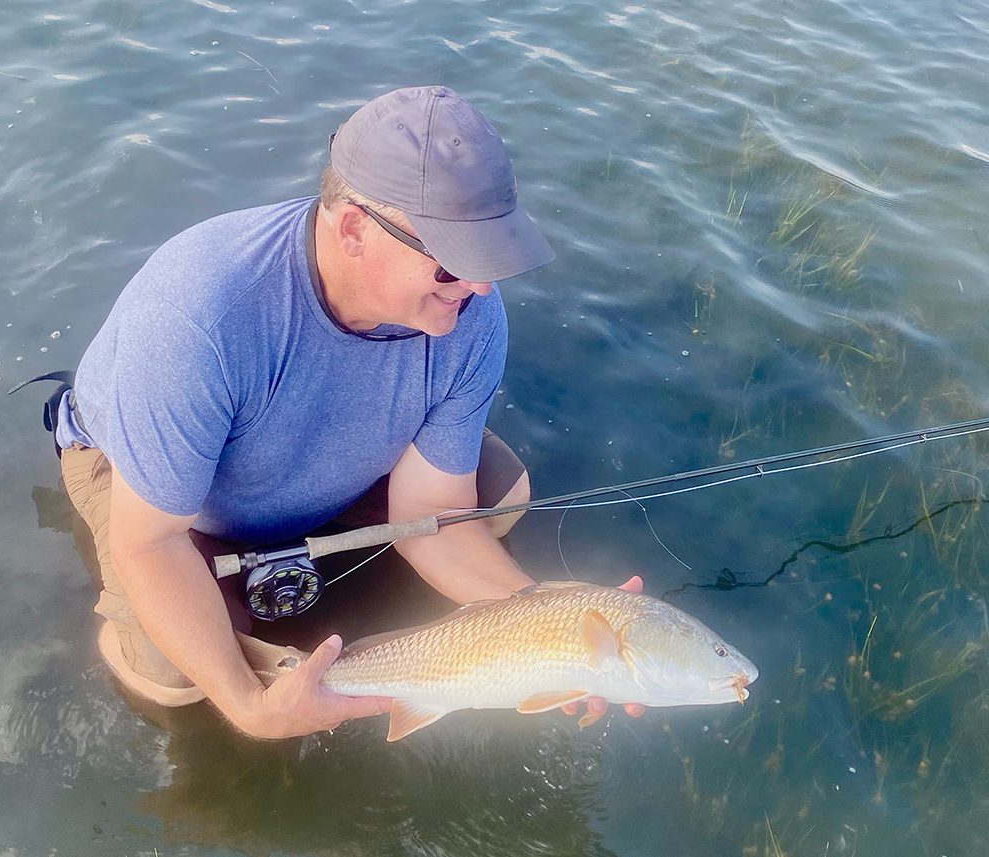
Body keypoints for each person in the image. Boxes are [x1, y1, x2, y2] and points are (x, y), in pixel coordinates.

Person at [54, 85, 642, 739]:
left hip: (314, 460)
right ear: (355, 228)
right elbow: (152, 540)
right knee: (174, 672)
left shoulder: (472, 315)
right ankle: (140, 624)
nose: (479, 286)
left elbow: (435, 514)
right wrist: (251, 708)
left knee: (501, 496)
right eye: (452, 262)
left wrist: (556, 625)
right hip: (167, 499)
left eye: (489, 257)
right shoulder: (200, 313)